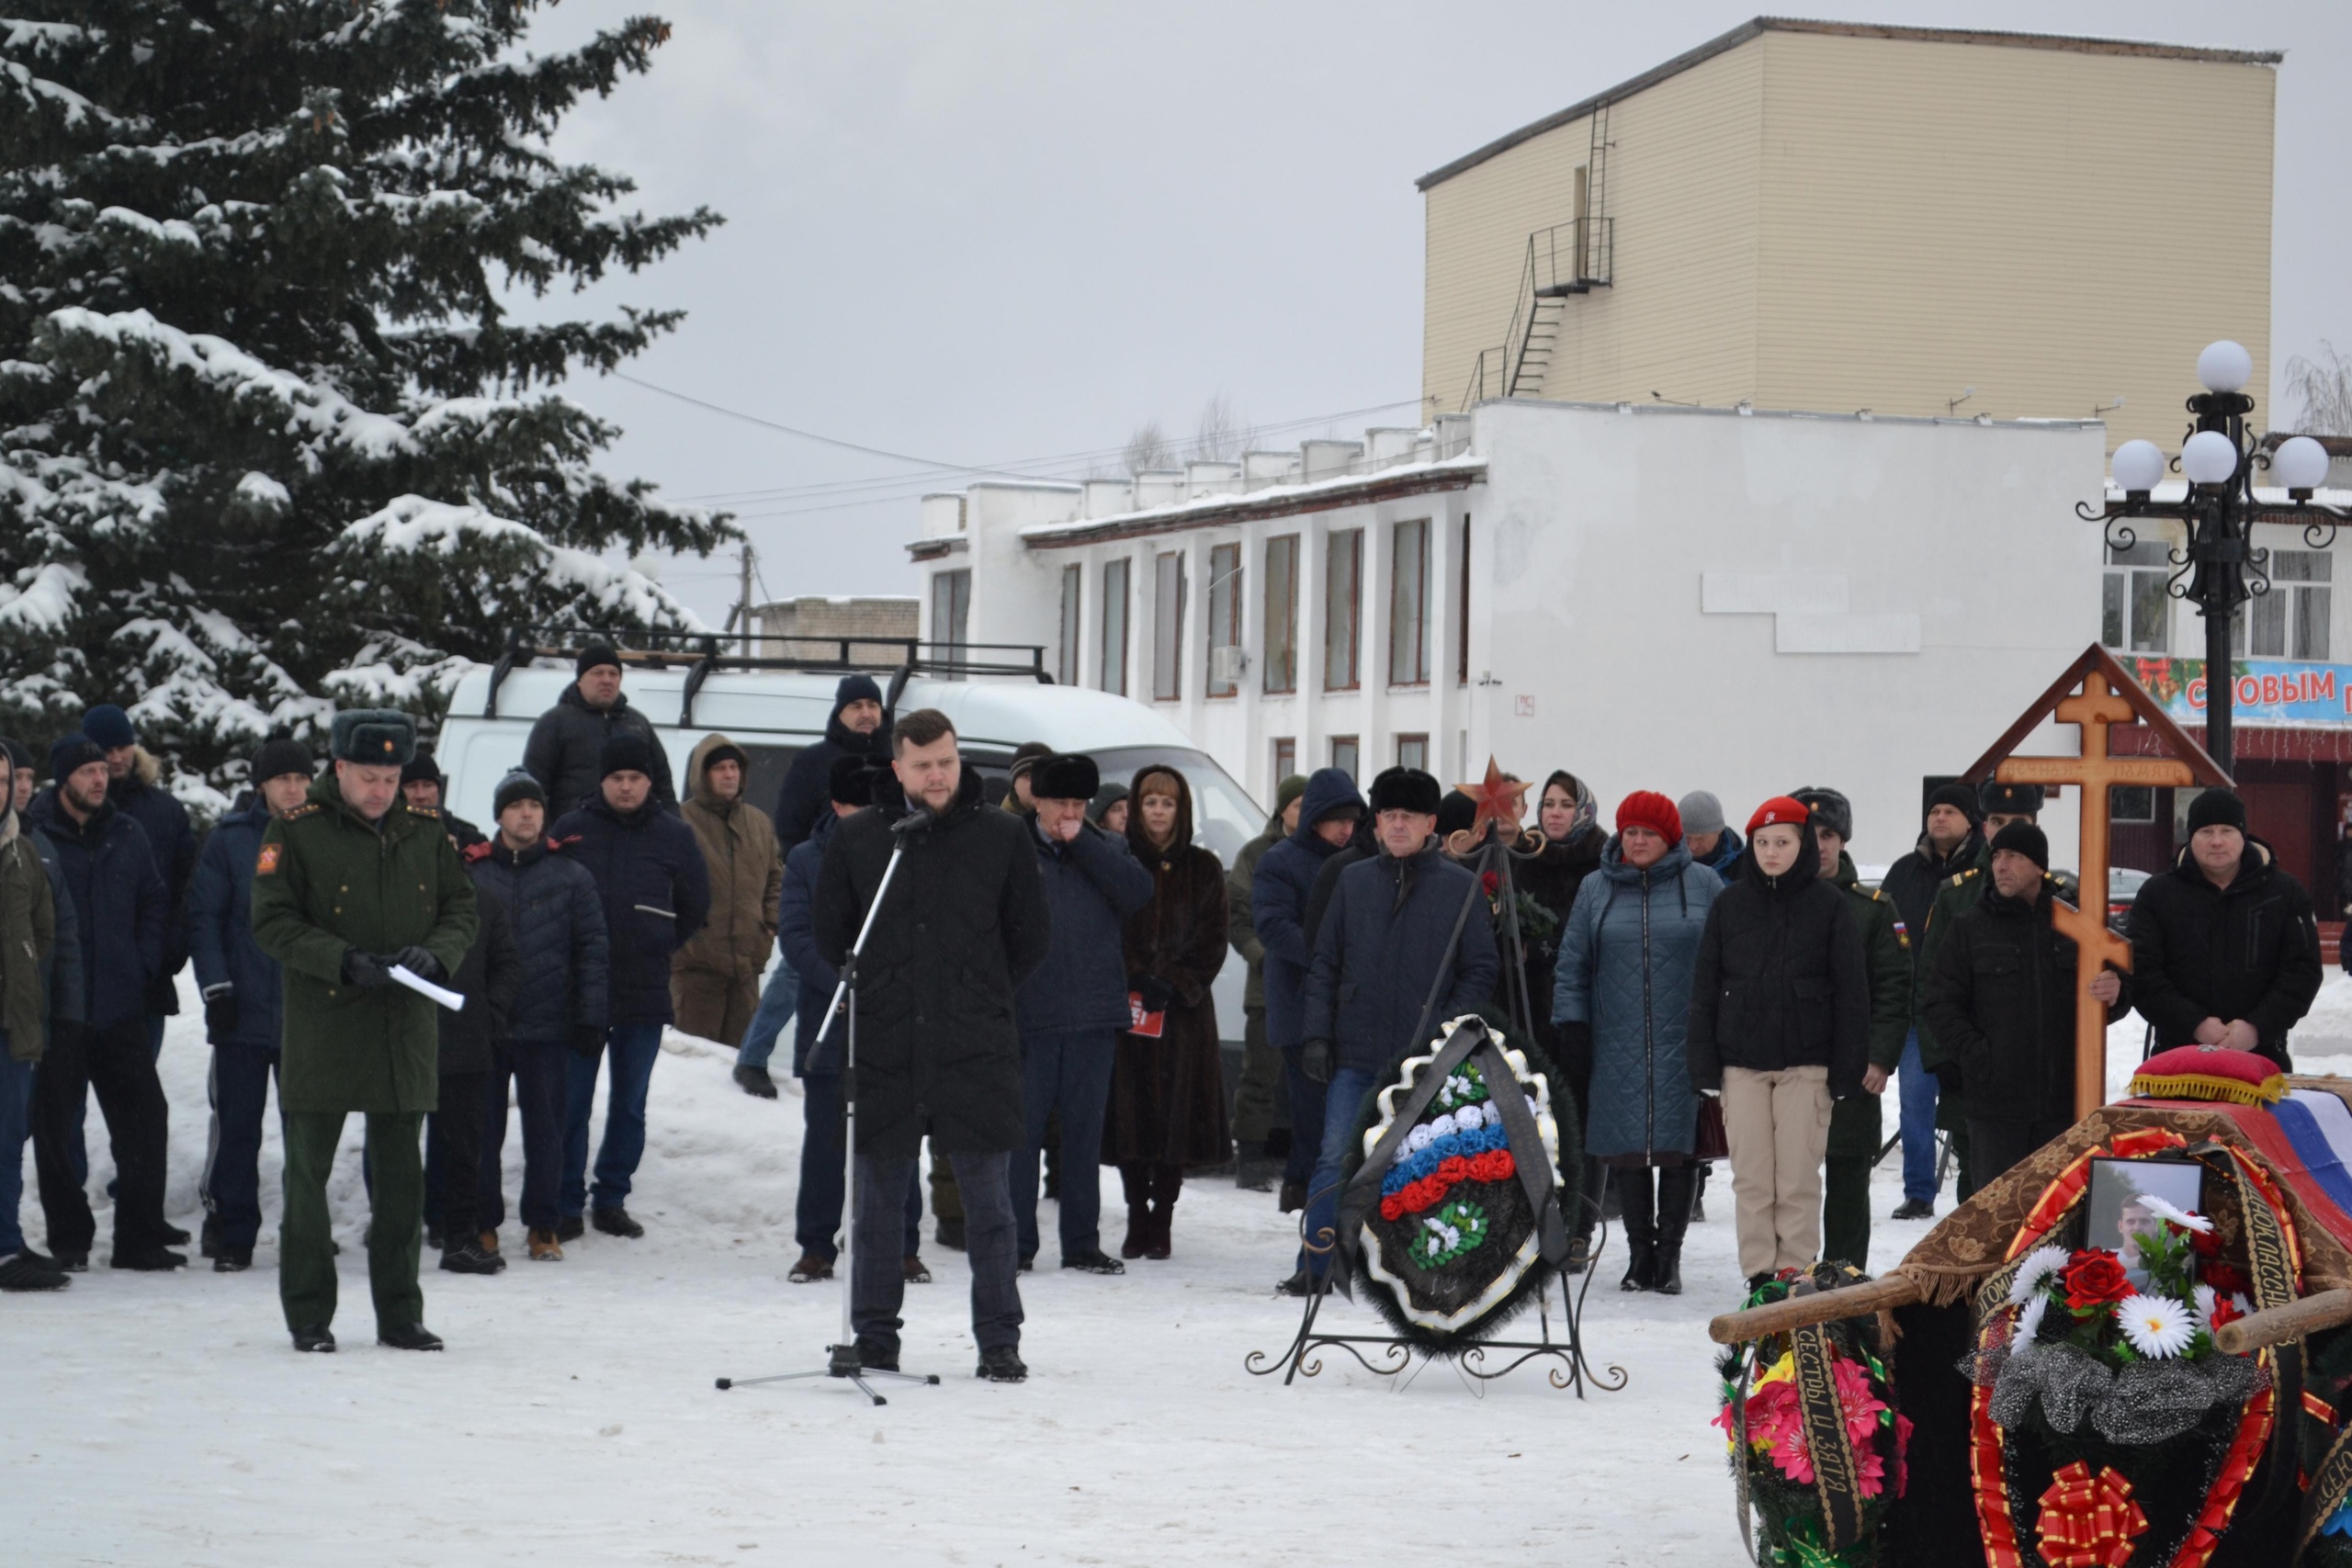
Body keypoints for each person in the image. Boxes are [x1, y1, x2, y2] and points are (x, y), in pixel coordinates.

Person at [812, 707, 1050, 1382]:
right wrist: (885, 983)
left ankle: (999, 1338)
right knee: (879, 1207)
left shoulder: (1002, 835)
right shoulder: (862, 838)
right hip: (884, 1046)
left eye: (946, 760)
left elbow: (1030, 937)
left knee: (991, 1207)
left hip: (976, 1047)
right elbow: (833, 936)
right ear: (898, 768)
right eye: (922, 765)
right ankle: (876, 1334)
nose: (937, 775)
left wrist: (979, 989)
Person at [250, 709, 479, 1352]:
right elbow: (271, 921)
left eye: (392, 777)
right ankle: (309, 1313)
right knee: (307, 1180)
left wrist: (438, 953)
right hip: (326, 1020)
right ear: (340, 769)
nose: (382, 791)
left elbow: (463, 905)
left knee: (403, 1182)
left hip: (402, 1027)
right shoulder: (294, 831)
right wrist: (340, 959)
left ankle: (400, 1312)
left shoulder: (427, 832)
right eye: (369, 777)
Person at [1298, 767, 1499, 1292]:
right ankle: (1319, 1268)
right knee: (1336, 1156)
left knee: (1424, 1167)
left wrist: (1445, 1032)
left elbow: (1480, 968)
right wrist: (1318, 1034)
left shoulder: (1459, 887)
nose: (1397, 825)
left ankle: (1413, 1275)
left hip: (1426, 1057)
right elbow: (1325, 962)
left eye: (1407, 816)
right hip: (1356, 1047)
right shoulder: (1353, 880)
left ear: (1431, 822)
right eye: (1388, 815)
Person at [1688, 796, 1869, 1288]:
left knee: (1797, 1180)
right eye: (1762, 843)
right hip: (1741, 1067)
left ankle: (1795, 1273)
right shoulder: (1730, 904)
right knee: (1750, 1180)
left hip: (1806, 1067)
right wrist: (1704, 1067)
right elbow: (1705, 989)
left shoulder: (1828, 905)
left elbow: (1852, 992)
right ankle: (1759, 1276)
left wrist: (1846, 1069)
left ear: (1803, 845)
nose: (1771, 852)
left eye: (1783, 843)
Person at [1554, 790, 1722, 1292]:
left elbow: (1724, 961)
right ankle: (1638, 1257)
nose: (1639, 840)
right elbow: (1573, 964)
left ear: (1670, 836)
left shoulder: (1704, 884)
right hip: (1616, 1040)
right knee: (1627, 1151)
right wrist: (1573, 1027)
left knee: (1678, 1150)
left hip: (1683, 1039)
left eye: (1649, 832)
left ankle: (1668, 1258)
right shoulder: (1594, 889)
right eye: (1631, 831)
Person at [27, 733, 176, 1271]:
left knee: (145, 1119)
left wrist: (141, 962)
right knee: (56, 1126)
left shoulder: (127, 832)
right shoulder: (36, 833)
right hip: (61, 1010)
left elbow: (155, 901)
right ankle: (69, 1238)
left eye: (102, 770)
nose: (99, 779)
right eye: (87, 771)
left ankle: (138, 1238)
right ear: (63, 777)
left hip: (119, 1007)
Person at [554, 733, 710, 1241]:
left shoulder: (674, 834)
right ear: (602, 781)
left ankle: (612, 1197)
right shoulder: (572, 829)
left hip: (643, 990)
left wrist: (658, 938)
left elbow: (696, 903)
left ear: (649, 782)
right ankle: (564, 1200)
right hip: (580, 991)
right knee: (571, 1101)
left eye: (635, 778)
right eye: (617, 778)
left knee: (629, 1103)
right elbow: (547, 895)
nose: (626, 787)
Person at [1006, 753, 1153, 1274]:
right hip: (1029, 1014)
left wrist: (1083, 842)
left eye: (1078, 803)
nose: (1069, 811)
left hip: (1094, 1014)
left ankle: (1082, 1242)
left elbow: (1139, 893)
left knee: (1084, 1135)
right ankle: (1017, 1244)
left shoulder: (1106, 847)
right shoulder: (1010, 846)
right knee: (1020, 1137)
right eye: (1059, 802)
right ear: (1036, 800)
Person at [782, 757, 927, 1285]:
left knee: (896, 1137)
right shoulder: (804, 859)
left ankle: (902, 1245)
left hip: (891, 1021)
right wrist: (843, 980)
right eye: (859, 807)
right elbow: (796, 936)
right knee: (825, 1141)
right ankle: (817, 1245)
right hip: (830, 1016)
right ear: (838, 807)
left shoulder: (902, 849)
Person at [1923, 819, 2125, 1187]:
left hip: (2065, 1102)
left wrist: (2116, 992)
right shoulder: (1970, 928)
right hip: (1995, 1108)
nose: (2000, 865)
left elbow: (2118, 983)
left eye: (2013, 856)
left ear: (2038, 866)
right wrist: (1978, 1056)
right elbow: (1939, 1002)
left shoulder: (2075, 925)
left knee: (2059, 1217)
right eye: (1997, 856)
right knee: (1997, 1220)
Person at [465, 772, 608, 1263]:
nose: (526, 814)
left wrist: (591, 1017)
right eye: (515, 806)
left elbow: (592, 949)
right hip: (487, 1025)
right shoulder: (473, 874)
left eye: (534, 805)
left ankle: (543, 1226)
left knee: (547, 1131)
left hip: (549, 1025)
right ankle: (482, 1224)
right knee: (482, 1131)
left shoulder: (572, 875)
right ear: (499, 815)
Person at [187, 733, 315, 1271]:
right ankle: (233, 1230)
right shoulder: (230, 839)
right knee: (238, 1127)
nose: (292, 787)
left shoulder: (326, 835)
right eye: (282, 778)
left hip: (308, 1013)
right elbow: (205, 918)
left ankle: (306, 1229)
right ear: (261, 783)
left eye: (300, 778)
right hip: (241, 1010)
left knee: (307, 1130)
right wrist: (216, 988)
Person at [1106, 765, 1229, 1260]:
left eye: (1168, 803)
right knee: (1131, 1118)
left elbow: (1214, 938)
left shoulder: (1204, 867)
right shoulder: (1118, 861)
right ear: (1136, 808)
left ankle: (1164, 1219)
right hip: (1129, 1008)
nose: (1158, 812)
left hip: (1183, 1014)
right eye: (1150, 802)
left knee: (1177, 1119)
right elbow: (1107, 928)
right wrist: (1135, 977)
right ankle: (1137, 1214)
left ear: (1182, 810)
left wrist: (1177, 983)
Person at [1791, 787, 1910, 1272]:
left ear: (1844, 840)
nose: (1819, 844)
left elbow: (1894, 988)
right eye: (1809, 834)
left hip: (1852, 1073)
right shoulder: (1771, 903)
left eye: (1829, 834)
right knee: (1789, 1184)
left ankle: (1843, 1282)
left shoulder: (1873, 909)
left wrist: (1880, 1057)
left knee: (1846, 1179)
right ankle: (1785, 1281)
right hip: (1787, 1067)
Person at [1913, 781, 2043, 1207]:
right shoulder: (1958, 894)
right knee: (1976, 1184)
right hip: (1973, 1070)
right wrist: (1946, 1059)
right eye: (1996, 822)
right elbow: (1932, 982)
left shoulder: (2063, 898)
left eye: (2017, 823)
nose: (2004, 831)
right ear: (1983, 827)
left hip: (2045, 1080)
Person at [2126, 787, 2323, 1070]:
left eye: (2227, 830)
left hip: (2264, 1060)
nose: (2217, 841)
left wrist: (2256, 1027)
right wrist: (2195, 1024)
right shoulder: (2158, 895)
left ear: (2242, 835)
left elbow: (2302, 972)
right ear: (2190, 837)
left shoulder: (2285, 893)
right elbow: (2142, 971)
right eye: (2206, 831)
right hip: (2176, 1059)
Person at [1252, 769, 1365, 1215]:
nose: (1345, 830)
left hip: (1348, 1010)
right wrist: (1330, 958)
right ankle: (1304, 1194)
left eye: (1352, 820)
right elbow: (1273, 928)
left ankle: (1318, 1197)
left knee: (1338, 1119)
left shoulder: (1359, 861)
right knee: (1312, 1117)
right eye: (1336, 820)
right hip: (1300, 1010)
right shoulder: (1280, 861)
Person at [1879, 781, 1985, 1219]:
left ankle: (1978, 1187)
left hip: (1969, 1011)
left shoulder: (1985, 870)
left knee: (1970, 1107)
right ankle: (1920, 1191)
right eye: (1934, 811)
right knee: (1915, 1103)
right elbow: (1883, 932)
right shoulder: (1905, 871)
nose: (1940, 818)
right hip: (1914, 1010)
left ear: (1969, 821)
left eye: (1950, 812)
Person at [1517, 770, 1606, 1268]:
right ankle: (1536, 1224)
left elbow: (1597, 938)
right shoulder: (1524, 860)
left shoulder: (1602, 862)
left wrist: (1546, 948)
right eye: (1548, 803)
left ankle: (1579, 1229)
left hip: (1582, 1016)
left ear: (1583, 810)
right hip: (1527, 1009)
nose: (1553, 812)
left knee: (1580, 1125)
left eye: (1564, 804)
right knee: (1531, 1121)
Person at [80, 704, 195, 1066]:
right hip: (82, 985)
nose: (116, 758)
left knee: (139, 1105)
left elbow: (187, 887)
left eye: (122, 747)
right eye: (106, 750)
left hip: (148, 982)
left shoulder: (166, 811)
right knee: (68, 1109)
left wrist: (167, 954)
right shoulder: (67, 812)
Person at [429, 873, 519, 1275]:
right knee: (392, 1143)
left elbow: (506, 961)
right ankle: (393, 1231)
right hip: (401, 1037)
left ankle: (460, 1238)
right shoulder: (390, 895)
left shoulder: (482, 900)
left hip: (466, 1037)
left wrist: (491, 1014)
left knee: (463, 1146)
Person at [673, 734, 783, 1051]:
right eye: (719, 768)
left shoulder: (759, 823)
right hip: (695, 975)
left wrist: (769, 925)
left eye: (734, 767)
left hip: (746, 973)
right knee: (692, 1073)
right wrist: (686, 937)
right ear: (702, 775)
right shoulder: (680, 823)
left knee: (738, 1073)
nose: (729, 774)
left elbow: (776, 879)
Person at [0, 742, 61, 1292]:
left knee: (7, 1138)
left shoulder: (21, 852)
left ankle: (4, 1244)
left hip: (11, 1024)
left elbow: (44, 930)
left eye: (3, 779)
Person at [1228, 774, 1306, 1191]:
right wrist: (1265, 956)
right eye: (1297, 805)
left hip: (1315, 986)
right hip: (1267, 987)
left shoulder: (1331, 853)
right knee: (1260, 1075)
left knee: (1312, 1081)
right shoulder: (1256, 855)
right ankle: (1252, 1159)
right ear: (1282, 810)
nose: (1305, 813)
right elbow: (1237, 916)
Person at [523, 642, 675, 814]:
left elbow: (663, 787)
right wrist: (550, 837)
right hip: (574, 835)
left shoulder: (638, 724)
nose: (606, 680)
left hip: (632, 836)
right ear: (580, 679)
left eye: (613, 674)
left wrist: (672, 831)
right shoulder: (554, 723)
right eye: (598, 673)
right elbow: (534, 789)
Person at [773, 673, 892, 854]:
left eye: (872, 705)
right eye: (856, 706)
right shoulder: (811, 762)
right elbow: (789, 831)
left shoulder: (899, 758)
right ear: (840, 713)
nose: (866, 713)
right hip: (828, 871)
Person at [400, 751, 486, 851]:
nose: (421, 795)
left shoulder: (469, 839)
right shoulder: (384, 835)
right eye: (411, 786)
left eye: (428, 785)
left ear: (438, 789)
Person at [1680, 791, 1743, 881]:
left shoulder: (1746, 871)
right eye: (1687, 837)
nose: (1693, 846)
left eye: (1700, 838)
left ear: (1719, 831)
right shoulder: (1664, 866)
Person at [1000, 741, 1052, 815]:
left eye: (1043, 775)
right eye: (1028, 776)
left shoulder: (1067, 817)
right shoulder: (1001, 823)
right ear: (1015, 783)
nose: (1036, 782)